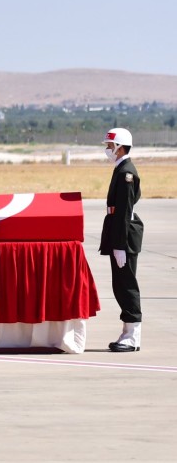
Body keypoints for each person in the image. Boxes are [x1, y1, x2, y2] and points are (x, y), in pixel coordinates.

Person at [99, 128, 144, 352]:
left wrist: (120, 245)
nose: (108, 150)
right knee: (120, 284)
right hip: (120, 233)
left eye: (110, 146)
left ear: (120, 147)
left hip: (124, 236)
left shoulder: (126, 173)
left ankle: (133, 336)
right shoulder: (121, 169)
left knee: (127, 285)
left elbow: (124, 211)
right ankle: (127, 332)